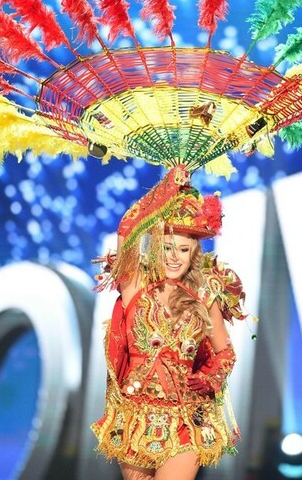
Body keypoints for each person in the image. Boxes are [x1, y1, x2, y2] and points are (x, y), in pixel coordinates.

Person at [91, 165, 247, 480]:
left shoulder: (205, 295)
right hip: (134, 416)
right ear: (155, 248)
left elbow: (225, 353)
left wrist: (210, 378)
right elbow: (128, 227)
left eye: (184, 250)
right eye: (167, 248)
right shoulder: (134, 284)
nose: (175, 257)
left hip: (186, 418)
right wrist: (167, 186)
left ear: (194, 253)